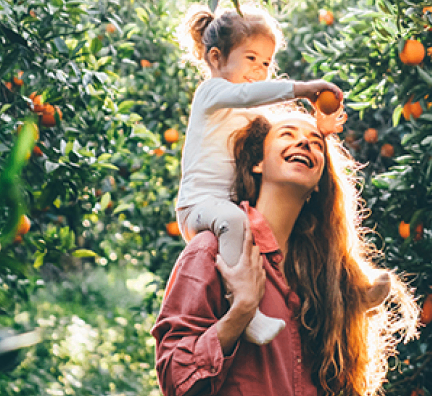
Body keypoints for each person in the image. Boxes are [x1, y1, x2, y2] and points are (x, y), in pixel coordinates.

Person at [153, 109, 417, 396]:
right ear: (258, 163)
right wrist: (242, 310)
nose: (305, 143)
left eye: (316, 143)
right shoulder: (211, 250)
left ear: (319, 182)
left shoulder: (323, 276)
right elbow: (175, 378)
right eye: (287, 134)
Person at [171, 5, 366, 345]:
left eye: (266, 63)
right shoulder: (212, 92)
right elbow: (248, 94)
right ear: (216, 58)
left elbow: (284, 129)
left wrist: (321, 126)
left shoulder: (247, 108)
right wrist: (304, 88)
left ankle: (350, 293)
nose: (260, 70)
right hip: (198, 206)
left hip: (224, 206)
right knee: (235, 221)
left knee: (248, 224)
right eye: (251, 58)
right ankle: (247, 312)